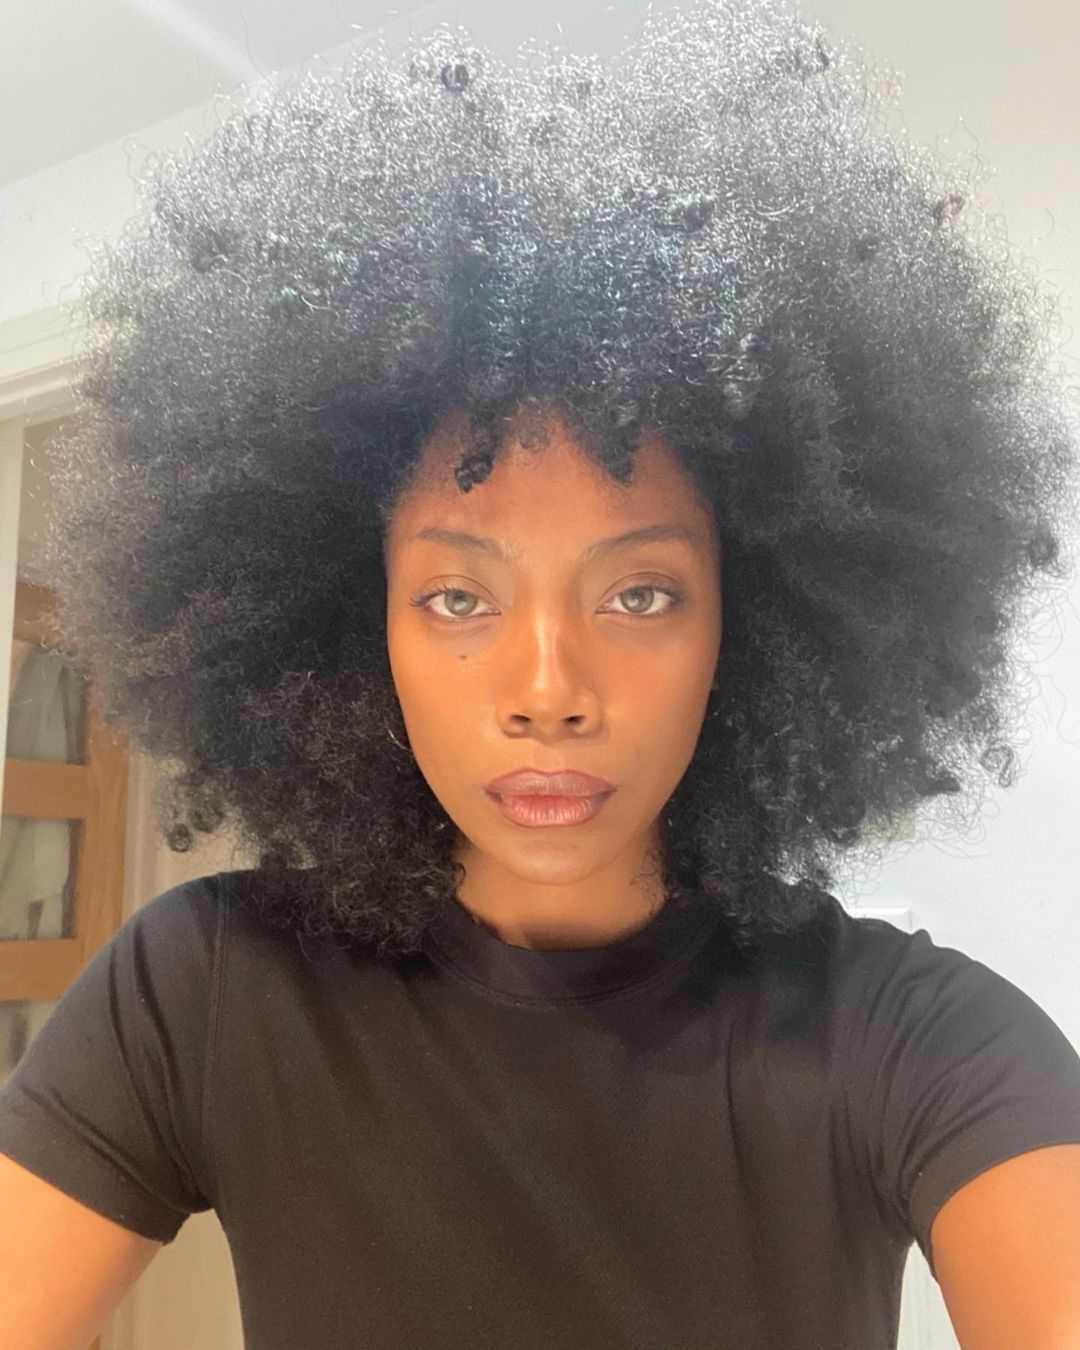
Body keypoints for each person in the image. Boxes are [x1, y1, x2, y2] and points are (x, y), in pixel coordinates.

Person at [2, 0, 1080, 1346]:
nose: (548, 688)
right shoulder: (208, 988)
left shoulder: (910, 1037)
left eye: (640, 592)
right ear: (353, 630)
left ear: (751, 626)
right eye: (459, 596)